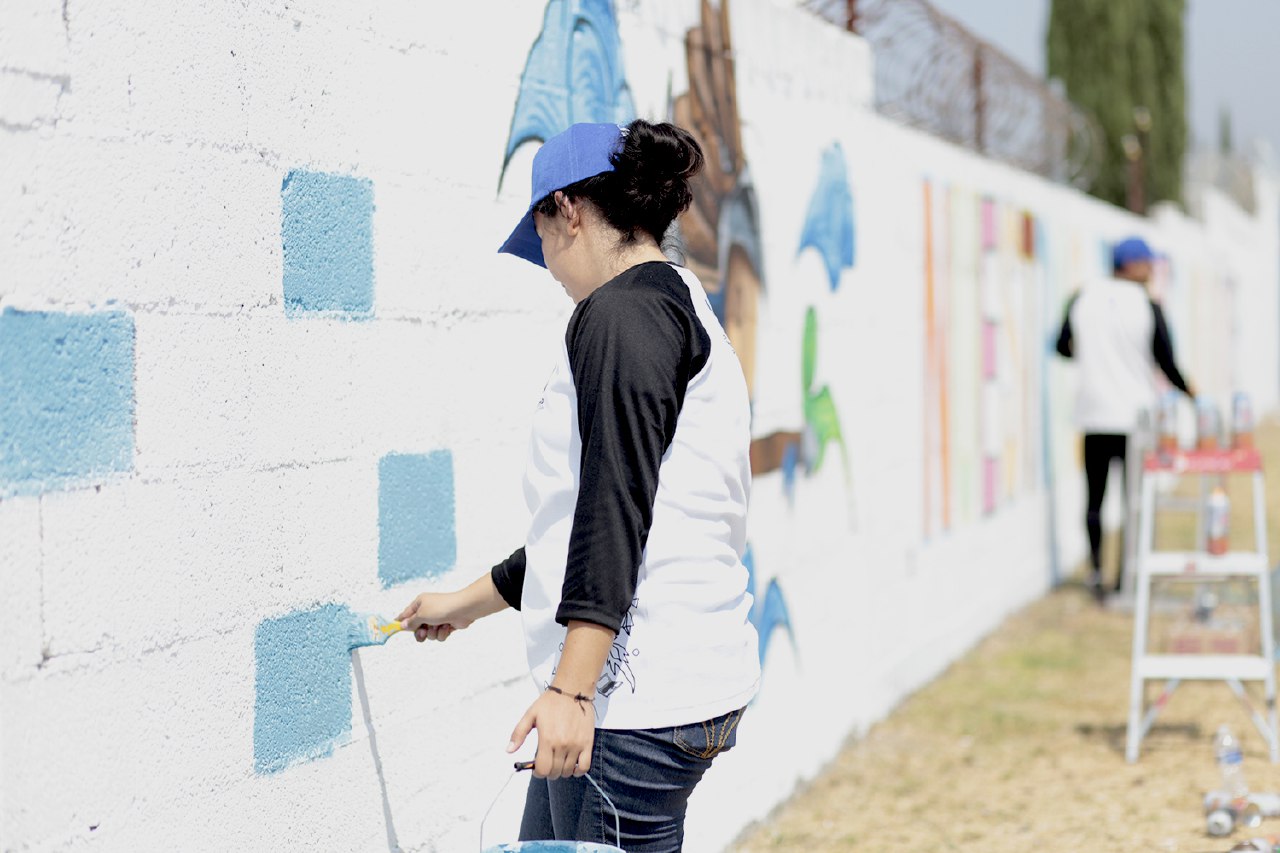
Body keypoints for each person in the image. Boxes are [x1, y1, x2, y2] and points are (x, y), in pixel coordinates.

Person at [397, 119, 760, 852]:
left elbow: (614, 508)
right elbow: (589, 520)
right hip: (652, 690)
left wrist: (569, 691)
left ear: (568, 210)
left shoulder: (623, 313)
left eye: (542, 244)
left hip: (631, 704)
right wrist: (467, 604)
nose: (552, 272)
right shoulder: (675, 304)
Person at [1055, 236, 1195, 602]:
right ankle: (1127, 577)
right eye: (1148, 264)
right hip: (1135, 420)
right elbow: (1166, 361)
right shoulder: (1148, 305)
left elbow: (1061, 345)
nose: (1152, 271)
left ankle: (1096, 573)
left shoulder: (1083, 297)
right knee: (1134, 502)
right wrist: (1194, 395)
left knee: (1094, 501)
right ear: (1130, 266)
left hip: (1093, 414)